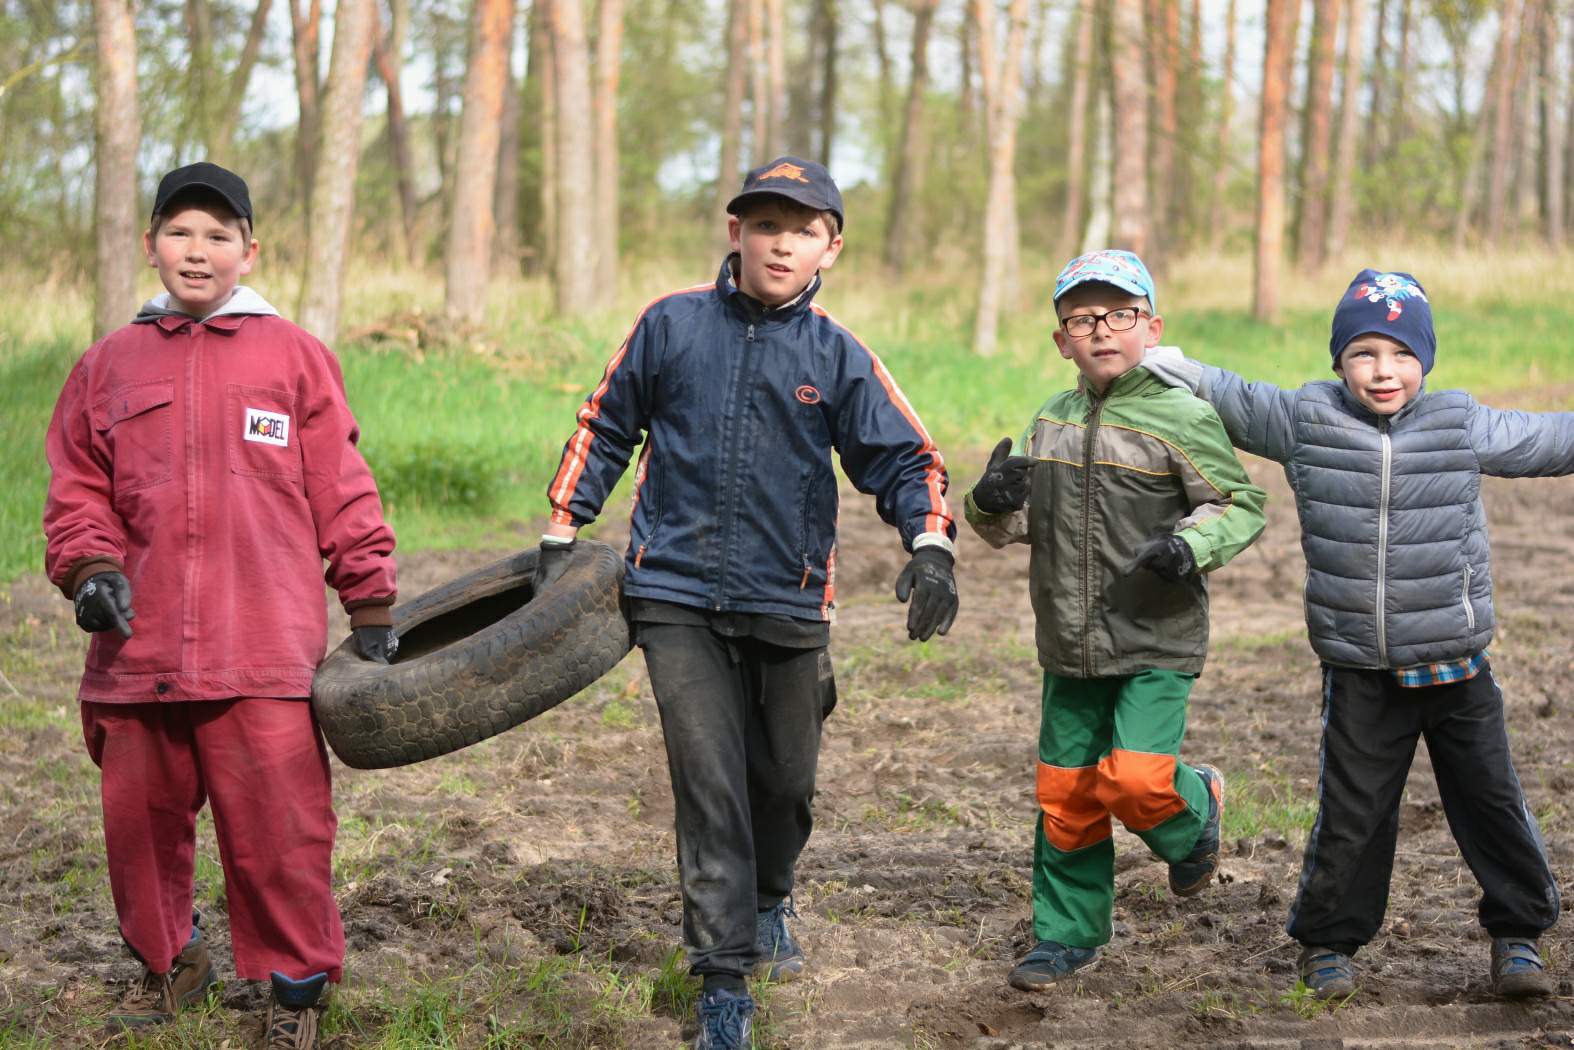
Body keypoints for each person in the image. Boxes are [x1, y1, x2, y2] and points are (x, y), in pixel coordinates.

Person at [538, 156, 958, 1049]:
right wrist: (563, 531)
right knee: (710, 784)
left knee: (785, 783)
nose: (782, 243)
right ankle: (722, 979)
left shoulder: (837, 354)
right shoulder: (670, 325)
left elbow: (905, 457)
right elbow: (604, 422)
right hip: (673, 593)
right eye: (766, 224)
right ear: (737, 233)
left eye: (803, 230)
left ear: (829, 249)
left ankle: (772, 896)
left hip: (791, 598)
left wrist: (930, 544)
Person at [42, 162, 398, 1049]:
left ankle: (293, 996)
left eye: (217, 235)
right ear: (150, 244)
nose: (196, 251)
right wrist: (88, 569)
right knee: (139, 831)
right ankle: (174, 965)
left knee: (280, 836)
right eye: (179, 233)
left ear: (250, 249)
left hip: (262, 648)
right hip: (138, 652)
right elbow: (77, 488)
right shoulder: (107, 364)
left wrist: (372, 601)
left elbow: (343, 487)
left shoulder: (294, 356)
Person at [1142, 269, 1565, 1000]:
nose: (1383, 371)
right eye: (1364, 353)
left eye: (1401, 355)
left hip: (1457, 665)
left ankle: (1518, 934)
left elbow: (1549, 437)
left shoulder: (1459, 422)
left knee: (1492, 801)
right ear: (1339, 360)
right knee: (1352, 813)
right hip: (1359, 668)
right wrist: (1180, 369)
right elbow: (1240, 399)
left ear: (1424, 362)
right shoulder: (1308, 420)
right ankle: (1330, 942)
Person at [965, 249, 1267, 992]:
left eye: (1120, 315)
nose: (1103, 330)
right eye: (1082, 318)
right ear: (1061, 339)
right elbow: (1016, 525)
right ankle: (1065, 935)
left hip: (1155, 635)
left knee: (1135, 780)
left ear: (1151, 326)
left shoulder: (1183, 416)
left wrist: (1189, 547)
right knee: (1066, 795)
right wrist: (989, 501)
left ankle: (1194, 808)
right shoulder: (1051, 421)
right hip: (1068, 644)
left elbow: (1240, 504)